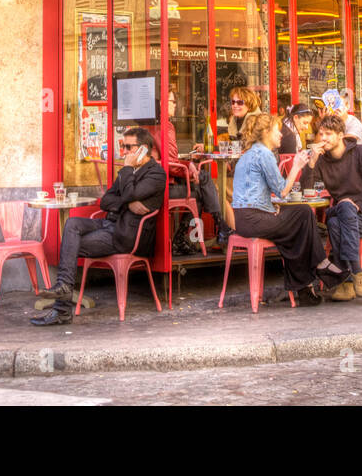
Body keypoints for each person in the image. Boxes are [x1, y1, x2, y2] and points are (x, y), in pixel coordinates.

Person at [31, 127, 167, 325]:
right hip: (109, 224)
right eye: (123, 147)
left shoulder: (156, 174)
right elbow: (106, 201)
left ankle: (62, 306)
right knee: (72, 224)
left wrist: (127, 181)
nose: (124, 152)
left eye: (129, 147)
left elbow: (127, 193)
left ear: (144, 149)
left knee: (71, 244)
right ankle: (64, 290)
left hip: (127, 236)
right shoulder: (127, 173)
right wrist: (127, 203)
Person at [231, 112, 349, 306]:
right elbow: (283, 191)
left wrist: (273, 209)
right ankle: (320, 266)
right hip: (253, 219)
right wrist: (297, 165)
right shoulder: (264, 154)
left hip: (245, 220)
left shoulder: (251, 153)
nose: (281, 135)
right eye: (277, 130)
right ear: (267, 132)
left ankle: (305, 290)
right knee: (303, 213)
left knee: (296, 230)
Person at [304, 113, 362, 299]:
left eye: (328, 134)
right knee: (340, 214)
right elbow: (306, 191)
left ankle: (346, 282)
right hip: (343, 214)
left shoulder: (361, 152)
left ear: (341, 135)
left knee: (336, 221)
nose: (323, 139)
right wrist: (311, 162)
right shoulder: (322, 160)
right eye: (321, 134)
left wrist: (357, 205)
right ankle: (357, 273)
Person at [163, 89, 233, 248]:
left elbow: (168, 160)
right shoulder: (166, 126)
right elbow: (169, 163)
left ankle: (181, 239)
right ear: (163, 103)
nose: (175, 105)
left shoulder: (157, 125)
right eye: (173, 102)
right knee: (202, 183)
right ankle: (221, 226)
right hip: (164, 186)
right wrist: (189, 167)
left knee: (199, 188)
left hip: (158, 182)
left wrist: (188, 164)